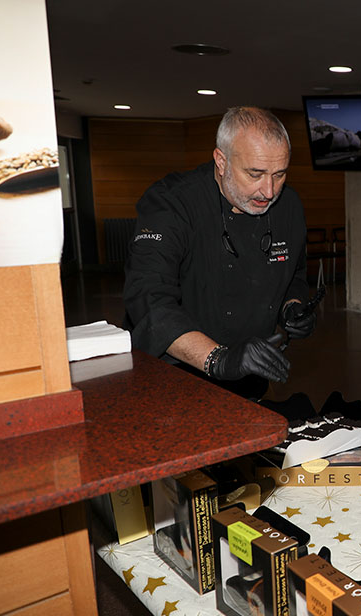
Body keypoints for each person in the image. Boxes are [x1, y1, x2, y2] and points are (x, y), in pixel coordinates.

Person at [124, 106, 318, 398]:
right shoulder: (172, 203)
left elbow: (294, 274)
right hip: (173, 377)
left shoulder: (288, 206)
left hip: (249, 376)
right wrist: (219, 359)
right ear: (222, 161)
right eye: (255, 174)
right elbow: (148, 297)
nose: (268, 190)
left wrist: (292, 306)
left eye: (279, 175)